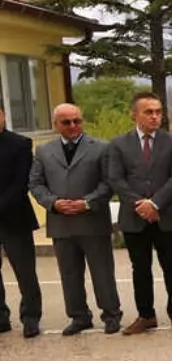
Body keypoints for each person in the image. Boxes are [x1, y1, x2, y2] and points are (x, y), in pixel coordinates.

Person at [29, 104, 122, 335]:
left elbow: (109, 182)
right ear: (56, 124)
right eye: (66, 122)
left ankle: (111, 314)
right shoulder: (43, 151)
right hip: (61, 223)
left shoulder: (102, 148)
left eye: (77, 121)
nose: (73, 126)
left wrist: (87, 202)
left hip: (92, 220)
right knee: (69, 274)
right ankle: (79, 316)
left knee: (102, 272)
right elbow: (35, 183)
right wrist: (53, 202)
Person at [108, 92, 172, 335]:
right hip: (134, 218)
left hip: (166, 216)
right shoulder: (118, 144)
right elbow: (116, 179)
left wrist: (155, 204)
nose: (155, 116)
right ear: (134, 114)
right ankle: (146, 315)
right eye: (149, 112)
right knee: (140, 269)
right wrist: (141, 205)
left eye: (158, 112)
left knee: (171, 265)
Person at [0, 101, 43, 337]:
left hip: (14, 217)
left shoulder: (20, 144)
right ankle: (1, 317)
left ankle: (31, 317)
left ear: (3, 115)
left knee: (25, 271)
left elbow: (20, 183)